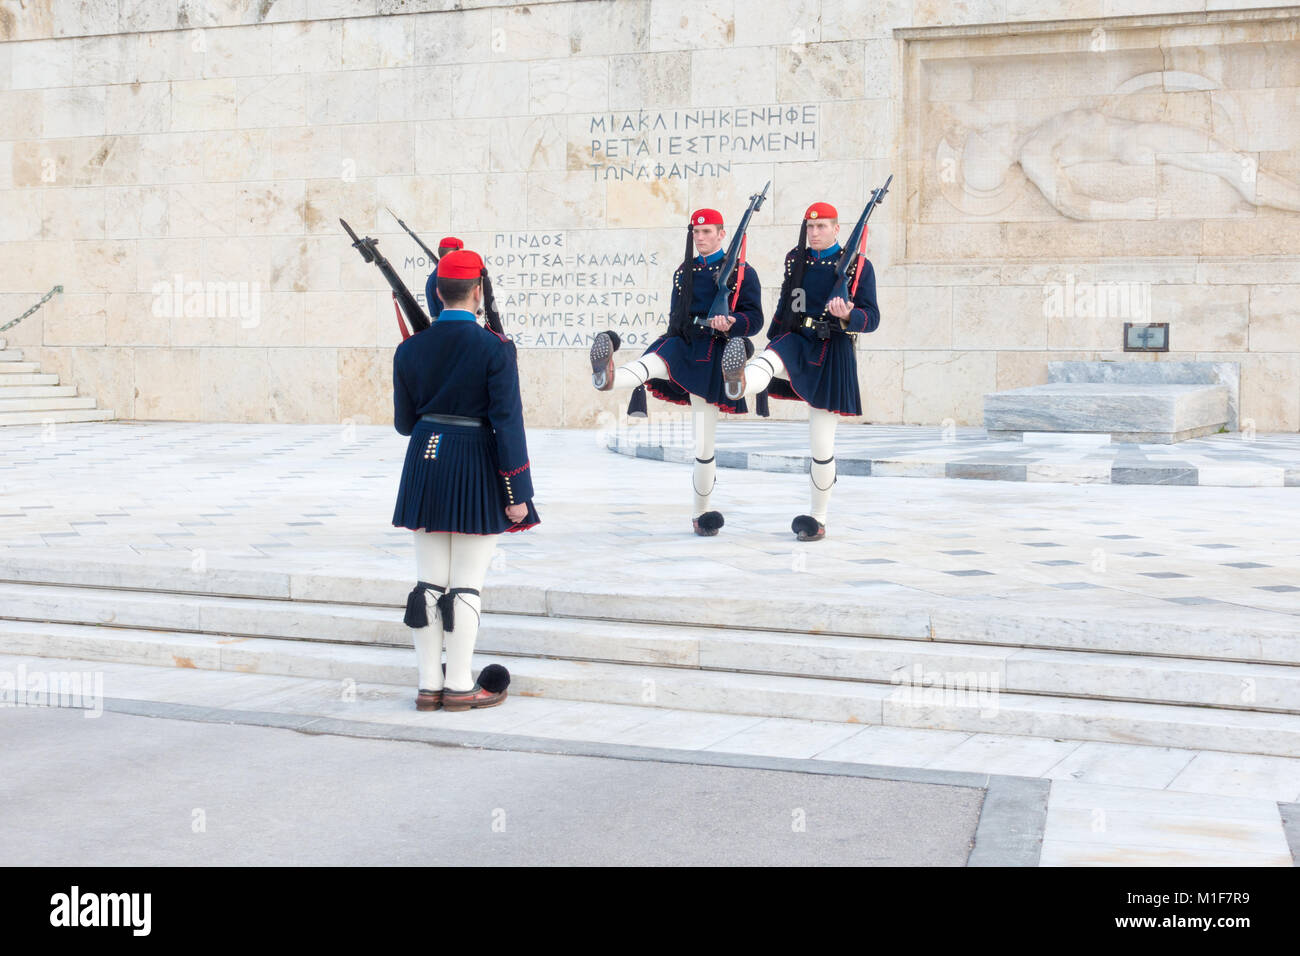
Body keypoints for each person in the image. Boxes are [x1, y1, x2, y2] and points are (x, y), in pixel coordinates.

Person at [393, 248, 538, 712]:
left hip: (425, 459)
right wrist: (517, 493)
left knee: (429, 585)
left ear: (437, 291)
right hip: (474, 460)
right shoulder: (495, 348)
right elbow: (507, 423)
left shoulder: (409, 348)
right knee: (466, 584)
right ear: (478, 292)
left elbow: (402, 422)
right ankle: (458, 685)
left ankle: (427, 685)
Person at [588, 208, 763, 536]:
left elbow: (754, 319)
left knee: (703, 445)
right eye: (696, 233)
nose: (700, 238)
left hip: (714, 354)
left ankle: (701, 513)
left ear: (722, 234)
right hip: (682, 340)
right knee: (647, 364)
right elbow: (674, 313)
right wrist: (670, 337)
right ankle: (608, 376)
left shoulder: (742, 272)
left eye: (707, 232)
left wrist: (732, 323)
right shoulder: (685, 270)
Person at [720, 201, 880, 541]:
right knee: (768, 358)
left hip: (831, 349)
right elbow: (785, 303)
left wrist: (850, 315)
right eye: (810, 227)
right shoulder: (797, 259)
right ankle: (741, 380)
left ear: (837, 229)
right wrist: (775, 336)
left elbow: (873, 318)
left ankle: (817, 519)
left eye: (821, 226)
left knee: (821, 447)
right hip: (795, 337)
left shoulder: (857, 267)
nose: (814, 232)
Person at [423, 236, 464, 319]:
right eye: (460, 254)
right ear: (451, 254)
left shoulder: (441, 274)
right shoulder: (444, 277)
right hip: (449, 325)